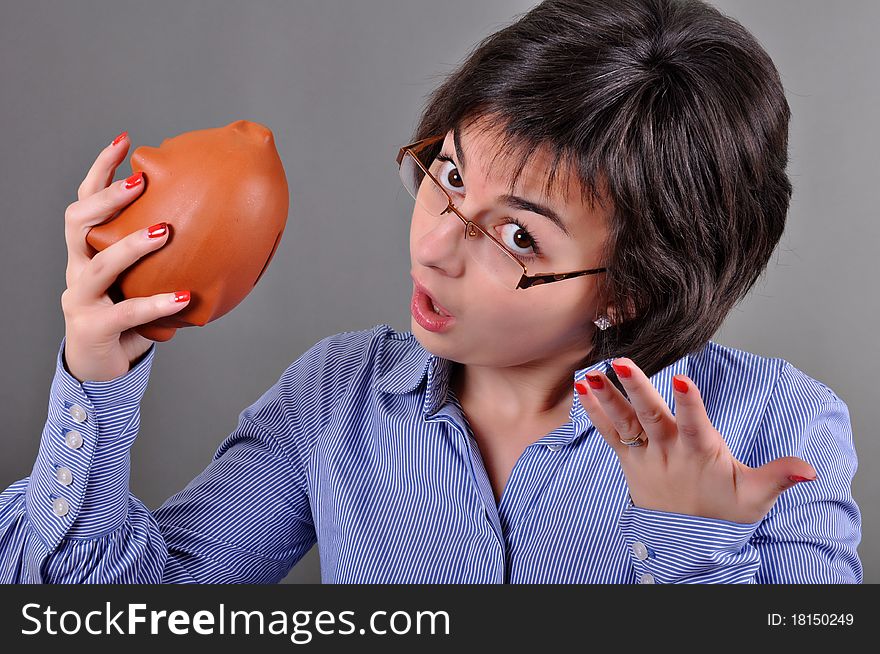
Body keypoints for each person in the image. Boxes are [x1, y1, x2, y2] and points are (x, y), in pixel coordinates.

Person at [0, 0, 862, 583]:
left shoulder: (781, 431)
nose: (435, 246)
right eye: (448, 174)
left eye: (518, 235)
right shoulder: (333, 400)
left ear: (634, 287)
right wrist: (96, 384)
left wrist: (691, 544)